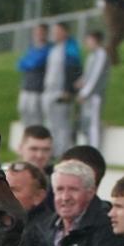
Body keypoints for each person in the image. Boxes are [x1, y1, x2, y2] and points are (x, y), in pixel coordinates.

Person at [8, 159, 119, 246]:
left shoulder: (107, 224)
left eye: (73, 189)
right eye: (60, 189)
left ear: (90, 193)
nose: (65, 197)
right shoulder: (43, 225)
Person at [40, 22, 80, 157]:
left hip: (61, 91)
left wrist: (68, 89)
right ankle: (52, 151)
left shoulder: (70, 49)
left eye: (58, 31)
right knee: (50, 122)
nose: (54, 34)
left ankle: (63, 151)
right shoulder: (53, 49)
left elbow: (74, 69)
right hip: (49, 90)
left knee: (62, 123)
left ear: (65, 32)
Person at [74, 30, 110, 150]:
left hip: (95, 95)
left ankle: (94, 150)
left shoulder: (101, 54)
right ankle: (88, 147)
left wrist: (84, 93)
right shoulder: (91, 56)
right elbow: (88, 75)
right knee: (87, 123)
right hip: (87, 96)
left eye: (88, 40)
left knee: (94, 123)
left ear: (95, 40)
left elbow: (96, 76)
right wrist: (81, 82)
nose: (87, 43)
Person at [15, 24, 49, 129]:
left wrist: (28, 62)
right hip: (26, 86)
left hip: (37, 88)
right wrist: (28, 62)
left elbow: (35, 63)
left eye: (40, 32)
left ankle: (37, 135)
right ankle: (28, 134)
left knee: (35, 115)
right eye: (36, 32)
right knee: (23, 111)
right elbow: (19, 64)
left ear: (45, 33)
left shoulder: (47, 48)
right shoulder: (32, 47)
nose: (38, 34)